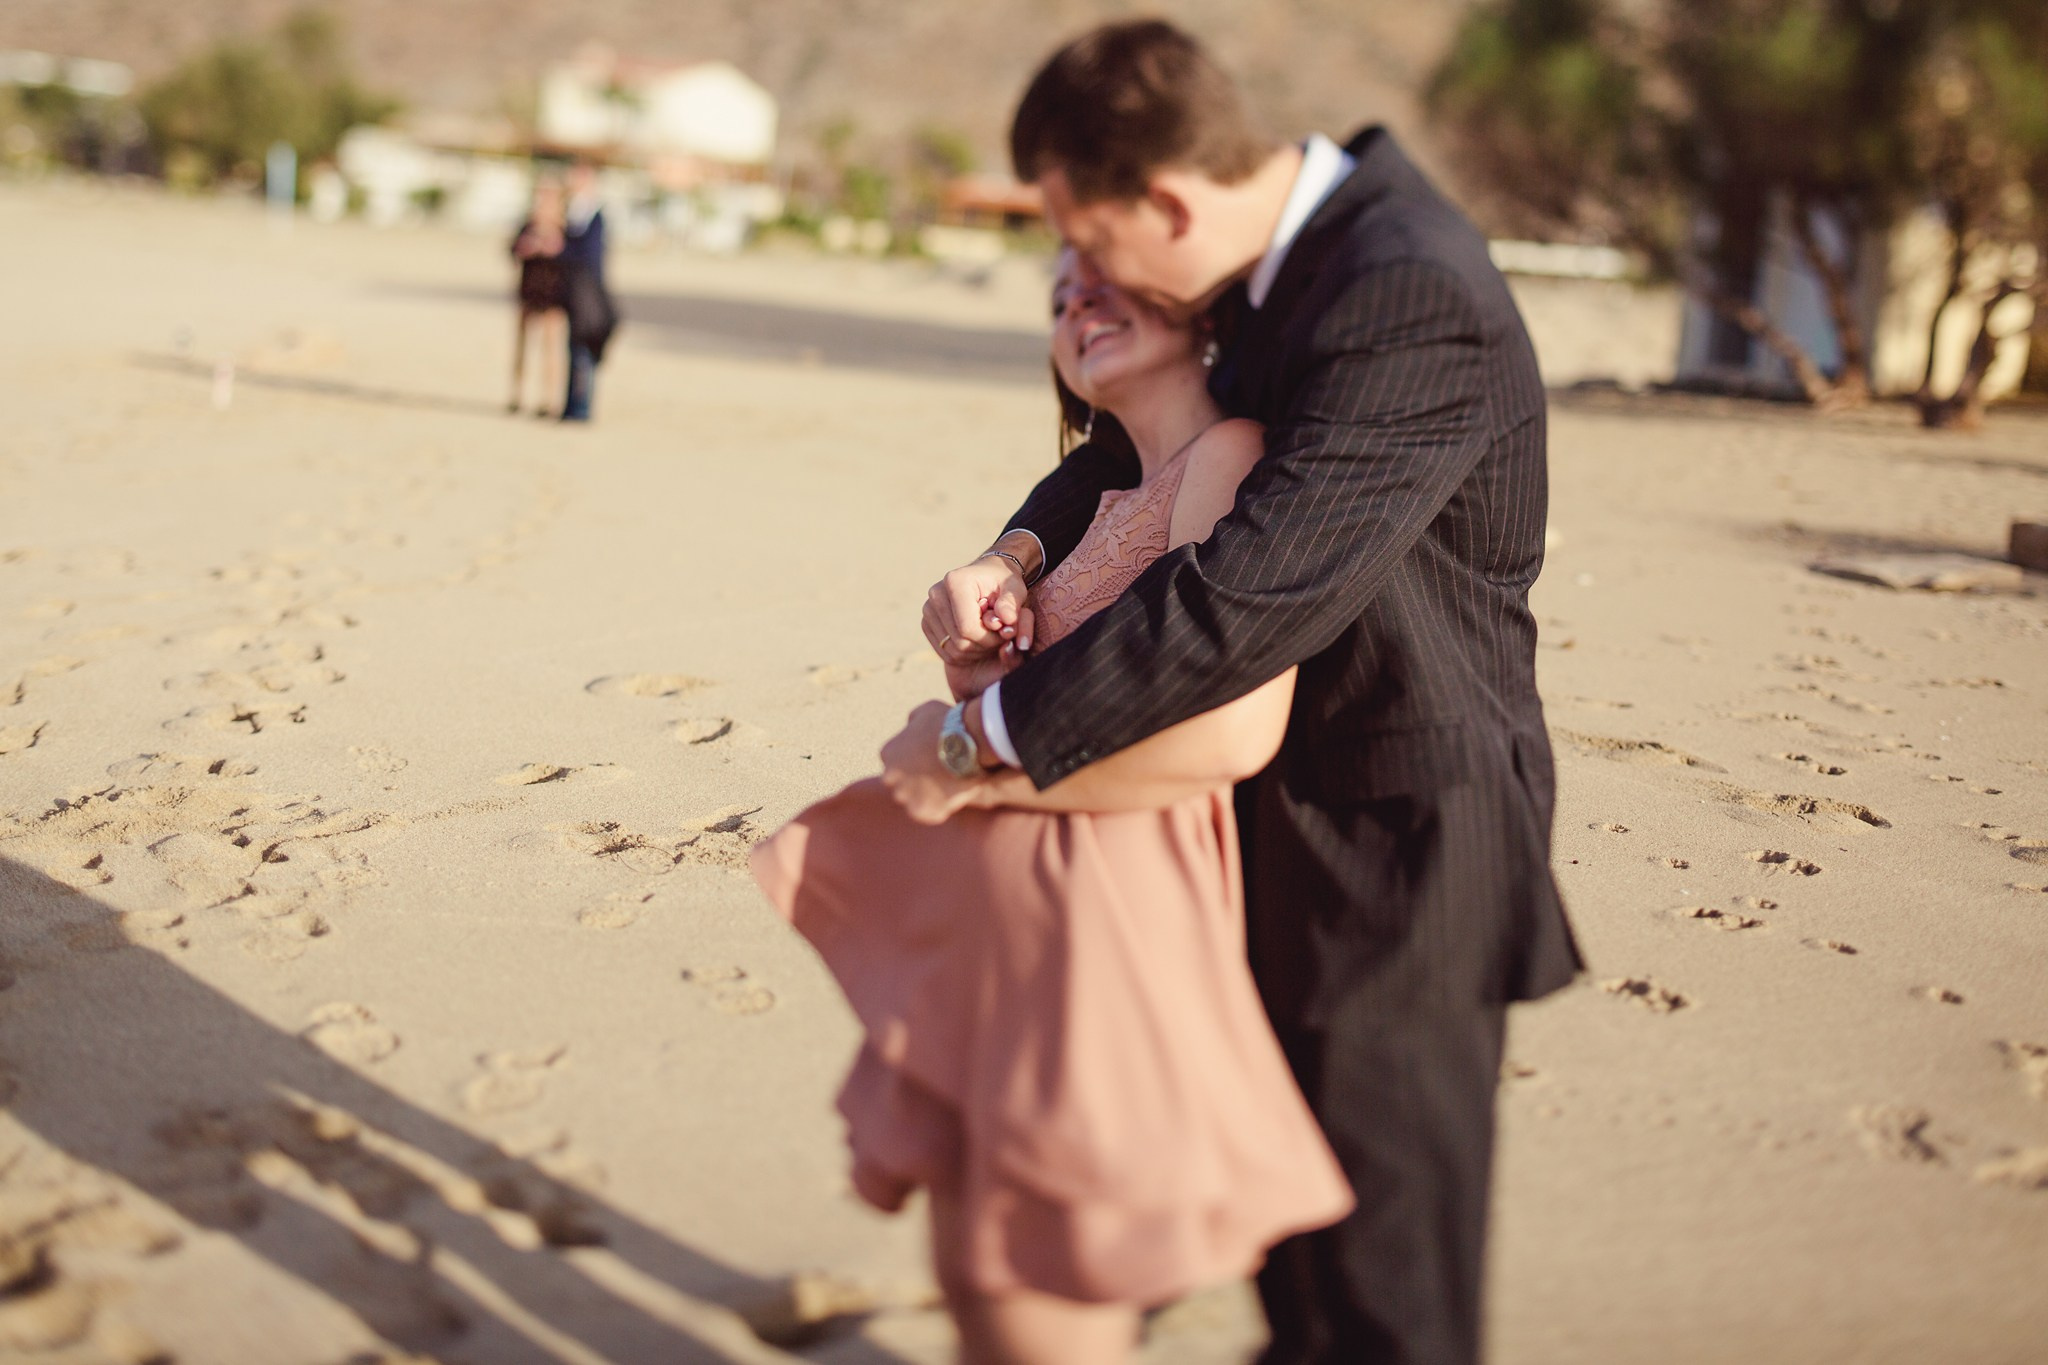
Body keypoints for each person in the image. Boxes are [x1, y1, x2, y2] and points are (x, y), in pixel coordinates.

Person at [892, 21, 1583, 1365]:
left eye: (1090, 241)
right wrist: (1016, 551)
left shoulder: (1405, 285)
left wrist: (980, 739)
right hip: (1252, 831)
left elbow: (1250, 597)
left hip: (1393, 850)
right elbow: (1142, 444)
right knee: (1291, 1276)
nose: (1085, 277)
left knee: (1385, 1298)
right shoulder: (1264, 264)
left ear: (1166, 199)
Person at [752, 248, 1353, 1365]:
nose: (1077, 303)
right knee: (978, 1266)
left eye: (1106, 283)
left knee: (1036, 1277)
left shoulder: (1226, 459)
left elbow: (1216, 733)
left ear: (1199, 313)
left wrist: (957, 752)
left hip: (1102, 932)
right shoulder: (1100, 495)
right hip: (1011, 946)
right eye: (1060, 299)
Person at [558, 159, 617, 423]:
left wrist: (558, 250)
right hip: (576, 294)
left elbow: (590, 257)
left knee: (584, 353)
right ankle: (573, 407)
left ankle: (580, 409)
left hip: (588, 294)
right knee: (575, 352)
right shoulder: (574, 212)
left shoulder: (592, 216)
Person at [508, 176, 568, 417]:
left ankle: (548, 397)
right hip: (528, 291)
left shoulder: (565, 226)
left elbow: (573, 258)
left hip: (552, 294)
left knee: (550, 348)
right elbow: (512, 250)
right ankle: (517, 394)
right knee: (522, 346)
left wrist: (554, 248)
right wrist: (526, 246)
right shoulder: (527, 224)